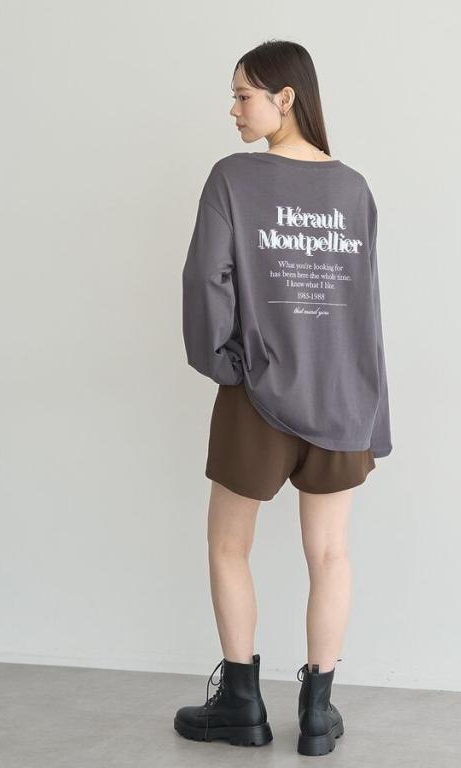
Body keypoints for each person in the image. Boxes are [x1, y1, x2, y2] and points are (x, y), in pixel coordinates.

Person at [173, 39, 392, 757]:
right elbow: (364, 310)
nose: (234, 110)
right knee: (330, 554)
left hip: (259, 392)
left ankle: (242, 706)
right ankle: (318, 716)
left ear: (285, 98)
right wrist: (372, 411)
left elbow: (206, 280)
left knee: (227, 544)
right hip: (342, 397)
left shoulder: (233, 179)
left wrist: (221, 363)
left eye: (243, 95)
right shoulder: (353, 189)